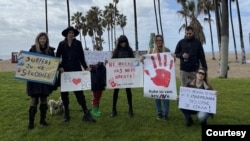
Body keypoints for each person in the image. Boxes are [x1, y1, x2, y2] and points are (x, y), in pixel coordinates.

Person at [56, 26, 95, 123]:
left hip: (76, 72)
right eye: (69, 33)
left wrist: (86, 67)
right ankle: (66, 114)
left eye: (72, 33)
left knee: (79, 93)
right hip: (64, 73)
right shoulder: (61, 44)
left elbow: (81, 57)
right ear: (66, 34)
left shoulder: (78, 44)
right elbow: (57, 58)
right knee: (64, 94)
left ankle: (86, 113)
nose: (71, 34)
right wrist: (59, 67)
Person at [26, 32, 56, 130]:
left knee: (44, 100)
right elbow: (27, 63)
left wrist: (59, 65)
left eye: (44, 39)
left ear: (46, 40)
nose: (43, 40)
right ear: (38, 39)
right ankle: (31, 122)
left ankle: (42, 120)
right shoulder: (33, 49)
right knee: (34, 101)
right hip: (35, 81)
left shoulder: (50, 51)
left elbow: (54, 64)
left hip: (45, 80)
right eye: (41, 38)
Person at [144, 34, 171, 121]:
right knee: (157, 95)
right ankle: (159, 112)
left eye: (160, 40)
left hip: (165, 75)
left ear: (162, 41)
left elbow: (171, 61)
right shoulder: (151, 51)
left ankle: (165, 113)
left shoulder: (167, 50)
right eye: (157, 40)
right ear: (155, 42)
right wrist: (142, 60)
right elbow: (147, 62)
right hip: (156, 76)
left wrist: (173, 57)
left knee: (166, 95)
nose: (159, 42)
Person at [110, 35, 135, 118]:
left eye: (124, 42)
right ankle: (113, 109)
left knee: (128, 92)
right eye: (121, 42)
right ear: (119, 42)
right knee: (115, 92)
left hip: (127, 75)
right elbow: (112, 61)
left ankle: (130, 109)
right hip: (118, 75)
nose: (123, 43)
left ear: (126, 42)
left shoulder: (129, 50)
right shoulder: (116, 51)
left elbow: (133, 61)